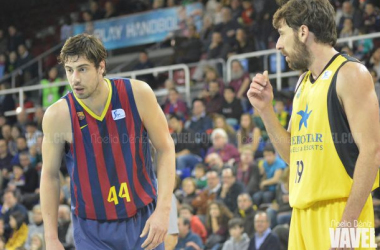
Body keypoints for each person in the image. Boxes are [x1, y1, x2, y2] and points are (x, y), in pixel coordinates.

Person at [247, 0, 380, 249]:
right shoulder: (302, 83)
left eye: (282, 34)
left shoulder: (351, 74)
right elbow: (293, 154)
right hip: (301, 214)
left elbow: (372, 152)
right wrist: (266, 111)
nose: (278, 45)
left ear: (303, 32)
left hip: (342, 213)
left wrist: (348, 224)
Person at [40, 34, 175, 250]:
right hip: (92, 229)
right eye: (69, 70)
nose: (74, 78)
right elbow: (49, 175)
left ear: (101, 66)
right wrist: (51, 238)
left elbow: (165, 147)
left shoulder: (138, 94)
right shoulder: (58, 116)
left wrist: (164, 209)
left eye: (82, 69)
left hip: (143, 217)